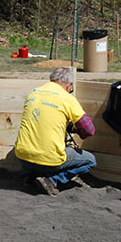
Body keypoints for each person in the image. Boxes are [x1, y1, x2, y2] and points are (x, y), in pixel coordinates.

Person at [14, 67, 96, 195]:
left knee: (34, 148)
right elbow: (89, 129)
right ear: (69, 85)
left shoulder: (34, 93)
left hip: (22, 156)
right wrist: (79, 132)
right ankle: (52, 180)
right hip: (49, 159)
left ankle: (28, 177)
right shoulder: (66, 98)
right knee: (90, 160)